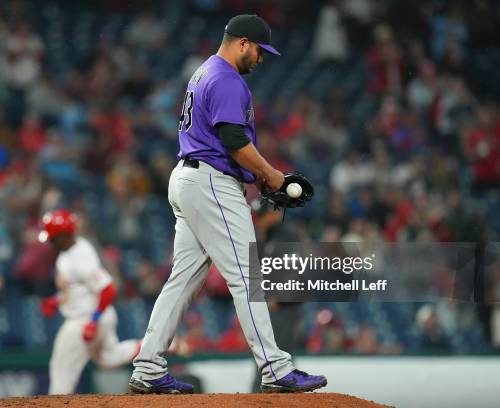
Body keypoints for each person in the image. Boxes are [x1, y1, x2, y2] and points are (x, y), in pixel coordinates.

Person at [129, 15, 327, 394]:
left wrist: (261, 176)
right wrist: (272, 176)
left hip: (191, 179)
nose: (262, 58)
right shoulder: (225, 79)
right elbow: (234, 139)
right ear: (241, 43)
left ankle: (148, 366)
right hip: (210, 183)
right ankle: (275, 368)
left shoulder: (204, 72)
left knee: (183, 280)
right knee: (246, 277)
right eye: (259, 49)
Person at [39, 209, 141, 395]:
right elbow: (77, 289)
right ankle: (152, 347)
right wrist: (56, 301)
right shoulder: (69, 251)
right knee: (109, 357)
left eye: (53, 238)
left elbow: (108, 289)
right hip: (97, 315)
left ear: (64, 236)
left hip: (85, 320)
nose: (50, 242)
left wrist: (93, 321)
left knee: (61, 374)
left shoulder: (81, 257)